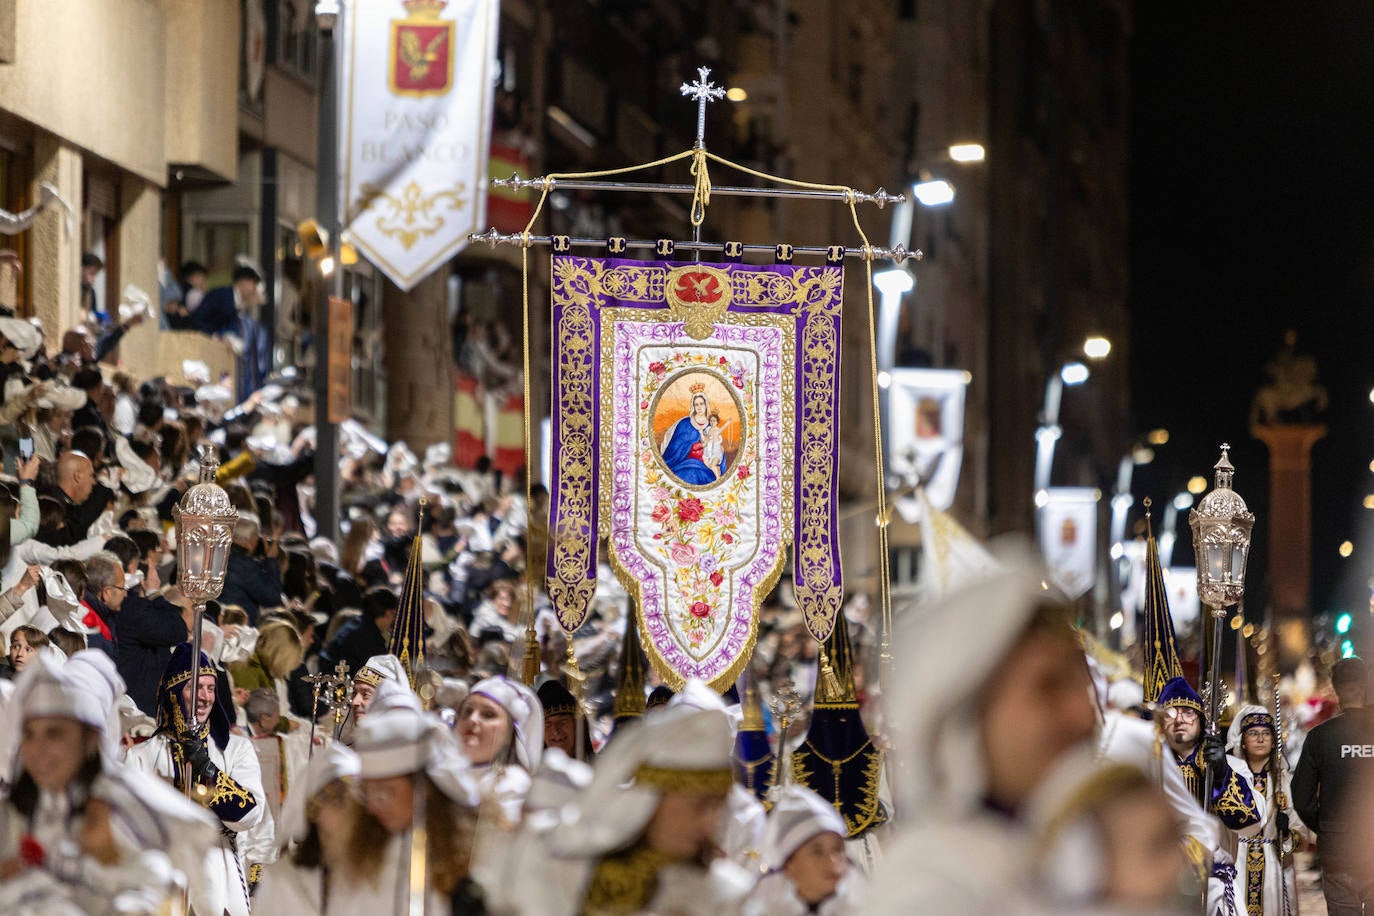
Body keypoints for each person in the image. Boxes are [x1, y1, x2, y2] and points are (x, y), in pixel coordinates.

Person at [869, 559, 1100, 911]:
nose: (1083, 714)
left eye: (1081, 683)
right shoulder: (929, 893)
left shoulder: (1066, 857)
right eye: (1048, 687)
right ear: (966, 719)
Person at [491, 693, 753, 914]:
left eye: (719, 806)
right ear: (650, 798)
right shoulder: (558, 865)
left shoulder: (726, 894)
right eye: (698, 806)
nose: (712, 823)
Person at [0, 652, 185, 913]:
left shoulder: (127, 809)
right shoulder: (15, 808)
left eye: (57, 733)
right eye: (31, 734)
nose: (40, 748)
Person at [125, 643, 272, 916]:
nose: (204, 697)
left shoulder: (236, 749)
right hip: (163, 874)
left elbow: (250, 815)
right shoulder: (141, 756)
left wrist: (207, 769)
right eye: (194, 687)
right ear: (173, 693)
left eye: (210, 688)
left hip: (218, 871)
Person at [348, 679, 483, 914]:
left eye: (386, 792)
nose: (372, 806)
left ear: (425, 787)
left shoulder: (470, 857)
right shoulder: (368, 851)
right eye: (368, 791)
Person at [1292, 657, 1374, 915]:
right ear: (1365, 687)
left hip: (1338, 850)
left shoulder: (1320, 737)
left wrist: (1326, 825)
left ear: (1336, 690)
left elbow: (1301, 796)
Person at [255, 744, 363, 915]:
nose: (350, 813)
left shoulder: (376, 872)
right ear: (315, 809)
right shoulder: (282, 877)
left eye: (357, 803)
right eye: (339, 802)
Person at [1226, 704, 1304, 915]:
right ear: (1243, 740)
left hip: (1273, 864)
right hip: (1238, 861)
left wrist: (1286, 833)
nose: (1260, 739)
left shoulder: (1284, 781)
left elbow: (1300, 834)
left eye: (1266, 734)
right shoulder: (1233, 780)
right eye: (1253, 733)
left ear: (1273, 740)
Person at [745, 785, 862, 916]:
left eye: (838, 849)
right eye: (817, 852)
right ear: (788, 864)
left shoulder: (868, 909)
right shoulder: (766, 912)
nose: (833, 860)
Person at [457, 675, 543, 822]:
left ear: (510, 735)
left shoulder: (514, 785)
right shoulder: (439, 774)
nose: (472, 719)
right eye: (467, 711)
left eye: (488, 714)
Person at [319, 586, 397, 678]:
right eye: (394, 614)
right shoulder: (368, 637)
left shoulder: (358, 624)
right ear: (388, 613)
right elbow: (383, 673)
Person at [220, 512, 282, 624]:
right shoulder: (246, 566)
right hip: (238, 627)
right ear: (252, 539)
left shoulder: (218, 555)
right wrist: (271, 560)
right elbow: (272, 597)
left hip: (218, 620)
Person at [660, 388, 725, 484]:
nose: (699, 407)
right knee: (689, 474)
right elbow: (675, 448)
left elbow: (716, 447)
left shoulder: (711, 425)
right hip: (684, 463)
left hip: (706, 464)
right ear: (693, 406)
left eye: (701, 404)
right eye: (696, 404)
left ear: (706, 405)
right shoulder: (685, 424)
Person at [79, 550, 127, 659]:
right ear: (107, 593)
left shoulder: (98, 614)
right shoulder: (90, 630)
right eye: (122, 588)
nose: (125, 594)